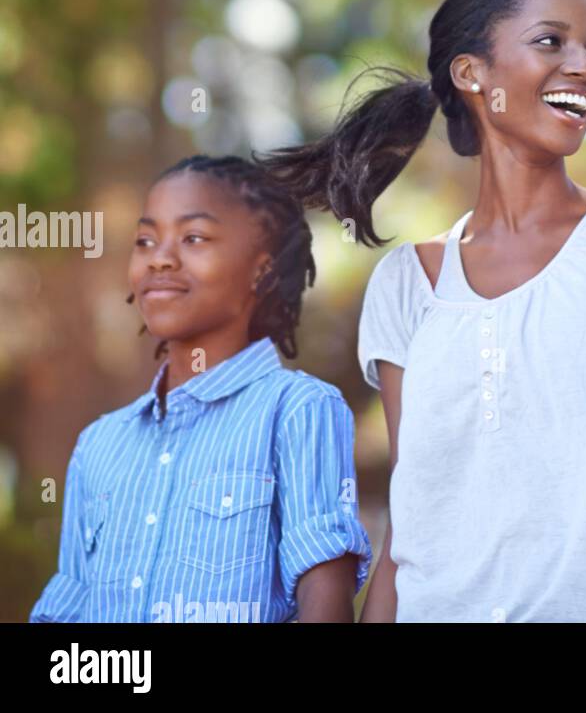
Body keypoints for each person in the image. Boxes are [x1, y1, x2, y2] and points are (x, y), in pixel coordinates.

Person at [259, 0, 586, 622]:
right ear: (472, 74)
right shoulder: (407, 285)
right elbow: (412, 521)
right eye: (551, 41)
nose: (585, 66)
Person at [30, 156, 370, 623]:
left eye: (194, 238)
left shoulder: (297, 412)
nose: (160, 257)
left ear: (261, 269)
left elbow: (325, 604)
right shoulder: (99, 445)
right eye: (145, 240)